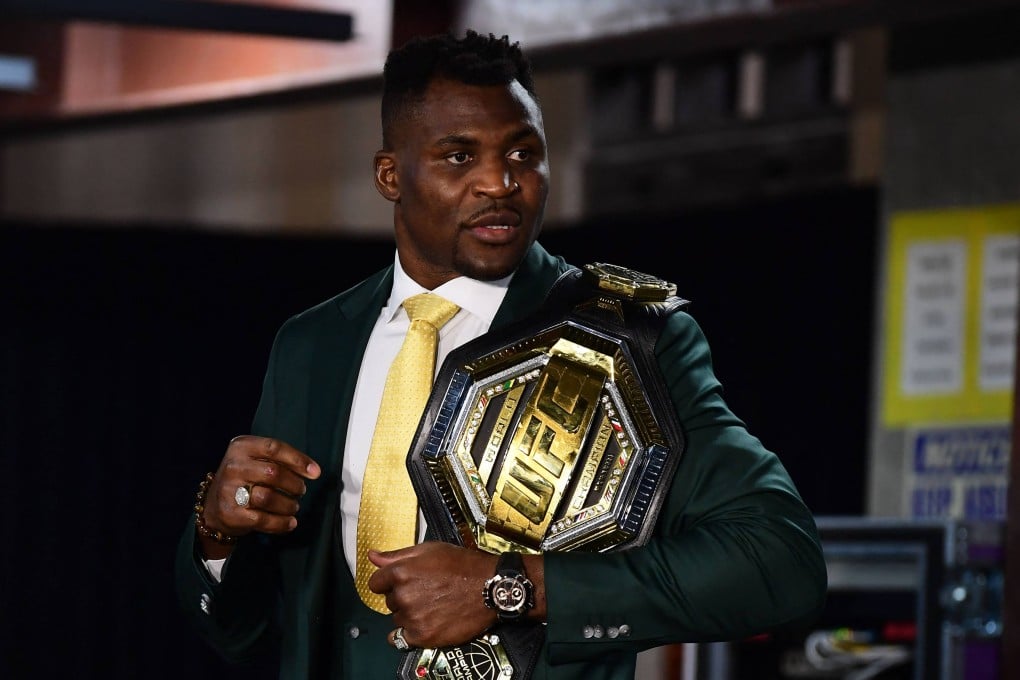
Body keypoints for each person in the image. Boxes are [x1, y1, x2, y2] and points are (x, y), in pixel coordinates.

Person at [176, 29, 828, 679]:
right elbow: (246, 632)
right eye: (459, 157)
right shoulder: (313, 344)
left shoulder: (626, 338)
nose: (500, 181)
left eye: (523, 152)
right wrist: (217, 532)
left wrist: (510, 587)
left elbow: (779, 562)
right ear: (390, 176)